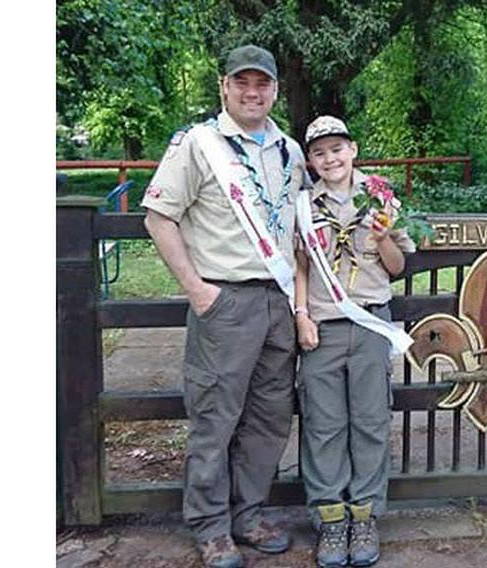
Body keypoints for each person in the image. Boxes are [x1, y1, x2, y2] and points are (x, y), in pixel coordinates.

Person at [141, 45, 309, 568]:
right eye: (242, 83)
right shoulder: (199, 144)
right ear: (224, 87)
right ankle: (210, 526)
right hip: (226, 300)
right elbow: (158, 217)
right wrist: (197, 290)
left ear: (275, 91)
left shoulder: (289, 150)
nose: (252, 92)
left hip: (277, 302)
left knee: (268, 417)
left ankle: (249, 514)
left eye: (262, 84)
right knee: (215, 417)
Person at [294, 115, 415, 568]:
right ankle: (330, 518)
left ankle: (364, 515)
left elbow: (397, 266)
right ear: (311, 160)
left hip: (369, 322)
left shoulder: (380, 198)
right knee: (323, 425)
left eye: (337, 149)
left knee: (368, 421)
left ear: (354, 149)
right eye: (320, 153)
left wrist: (384, 239)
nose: (330, 159)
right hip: (323, 325)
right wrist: (302, 316)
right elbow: (301, 266)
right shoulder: (304, 204)